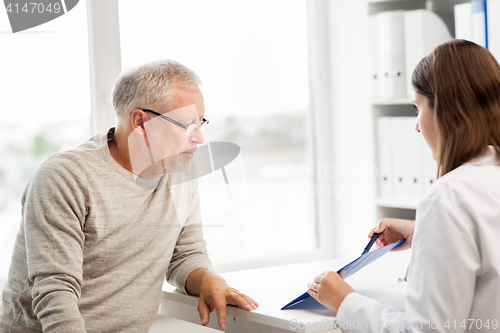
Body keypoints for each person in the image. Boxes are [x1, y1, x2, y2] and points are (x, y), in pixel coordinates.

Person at [0, 59, 258, 333]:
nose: (199, 138)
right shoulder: (65, 176)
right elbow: (55, 291)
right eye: (187, 124)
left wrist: (208, 279)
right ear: (140, 121)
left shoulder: (179, 169)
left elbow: (185, 255)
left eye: (200, 122)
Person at [307, 39, 500, 332]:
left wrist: (345, 301)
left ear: (446, 110)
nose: (417, 126)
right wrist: (425, 230)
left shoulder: (450, 197)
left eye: (417, 107)